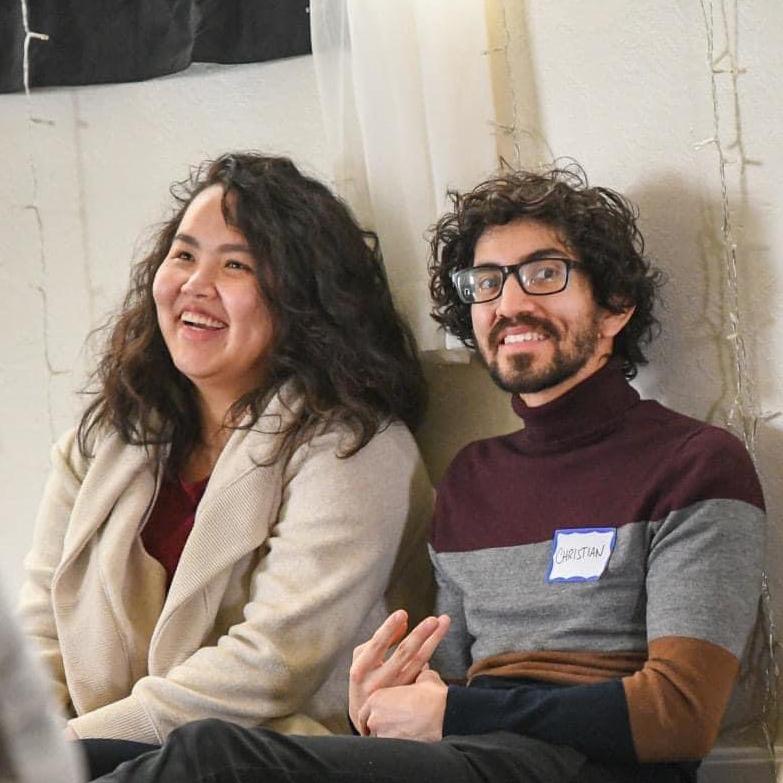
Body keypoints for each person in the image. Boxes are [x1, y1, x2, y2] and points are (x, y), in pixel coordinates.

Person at [90, 164, 764, 783]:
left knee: (209, 758)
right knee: (83, 757)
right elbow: (441, 688)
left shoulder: (694, 462)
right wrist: (375, 702)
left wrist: (453, 714)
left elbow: (680, 714)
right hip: (475, 757)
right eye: (487, 282)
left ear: (615, 305)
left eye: (544, 274)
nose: (510, 302)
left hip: (588, 770)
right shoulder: (475, 476)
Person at [18, 153, 434, 771]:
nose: (195, 283)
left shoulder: (357, 445)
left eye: (235, 264)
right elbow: (42, 630)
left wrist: (68, 748)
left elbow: (271, 664)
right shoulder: (102, 440)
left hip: (272, 760)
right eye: (184, 255)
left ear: (303, 298)